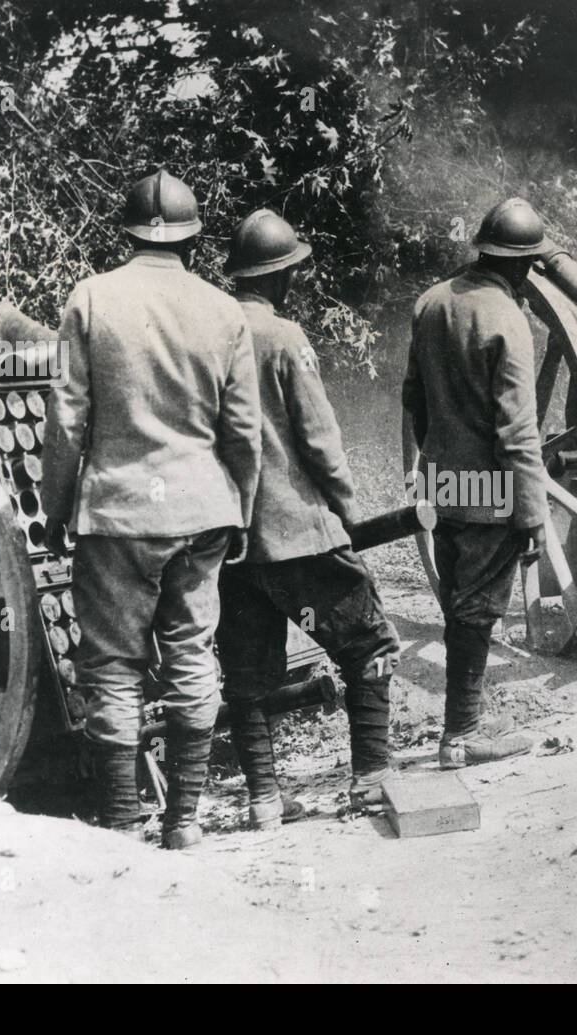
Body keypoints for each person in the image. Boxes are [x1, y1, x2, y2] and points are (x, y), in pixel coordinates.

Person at [42, 169, 262, 849]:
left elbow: (67, 419)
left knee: (111, 667)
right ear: (195, 239)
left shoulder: (91, 299)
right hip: (201, 512)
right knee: (194, 654)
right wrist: (242, 511)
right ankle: (186, 822)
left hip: (116, 514)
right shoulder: (226, 311)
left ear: (126, 234)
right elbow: (245, 431)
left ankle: (120, 821)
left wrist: (56, 508)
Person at [214, 209, 401, 826]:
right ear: (279, 277)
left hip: (232, 541)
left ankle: (264, 800)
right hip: (298, 531)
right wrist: (347, 509)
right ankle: (372, 781)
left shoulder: (205, 332)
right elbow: (320, 441)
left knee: (245, 673)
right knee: (368, 642)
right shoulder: (284, 337)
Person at [401, 197, 550, 768]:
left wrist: (439, 460)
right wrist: (532, 515)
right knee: (477, 612)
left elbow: (413, 398)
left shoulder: (431, 301)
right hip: (490, 493)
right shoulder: (508, 319)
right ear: (519, 265)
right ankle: (461, 735)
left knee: (458, 603)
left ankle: (469, 718)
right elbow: (518, 431)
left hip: (441, 485)